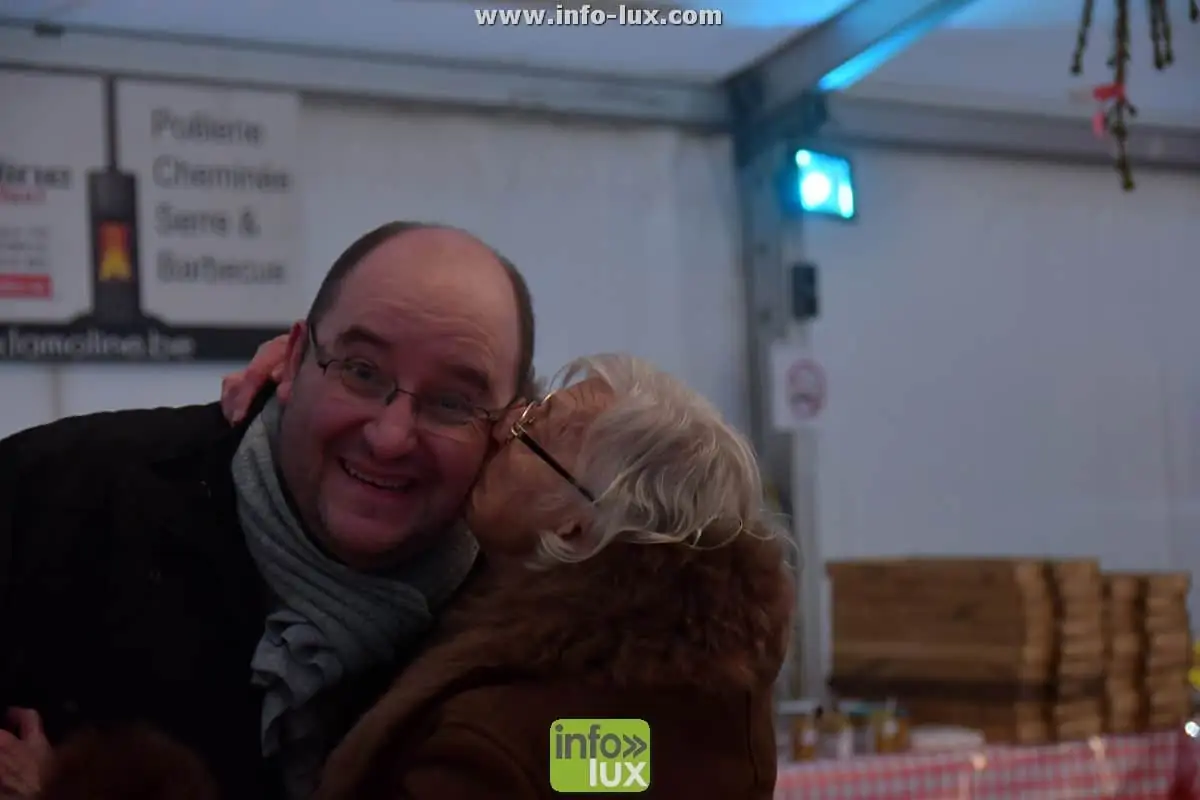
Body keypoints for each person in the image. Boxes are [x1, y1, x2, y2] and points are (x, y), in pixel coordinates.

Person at [28, 353, 794, 799]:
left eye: (534, 433)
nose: (504, 427)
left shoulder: (509, 744)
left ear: (573, 527)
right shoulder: (685, 688)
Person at [0, 221, 538, 800]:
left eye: (453, 402)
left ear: (511, 425)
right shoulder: (56, 499)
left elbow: (609, 769)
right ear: (296, 358)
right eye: (360, 371)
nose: (389, 438)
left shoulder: (539, 620)